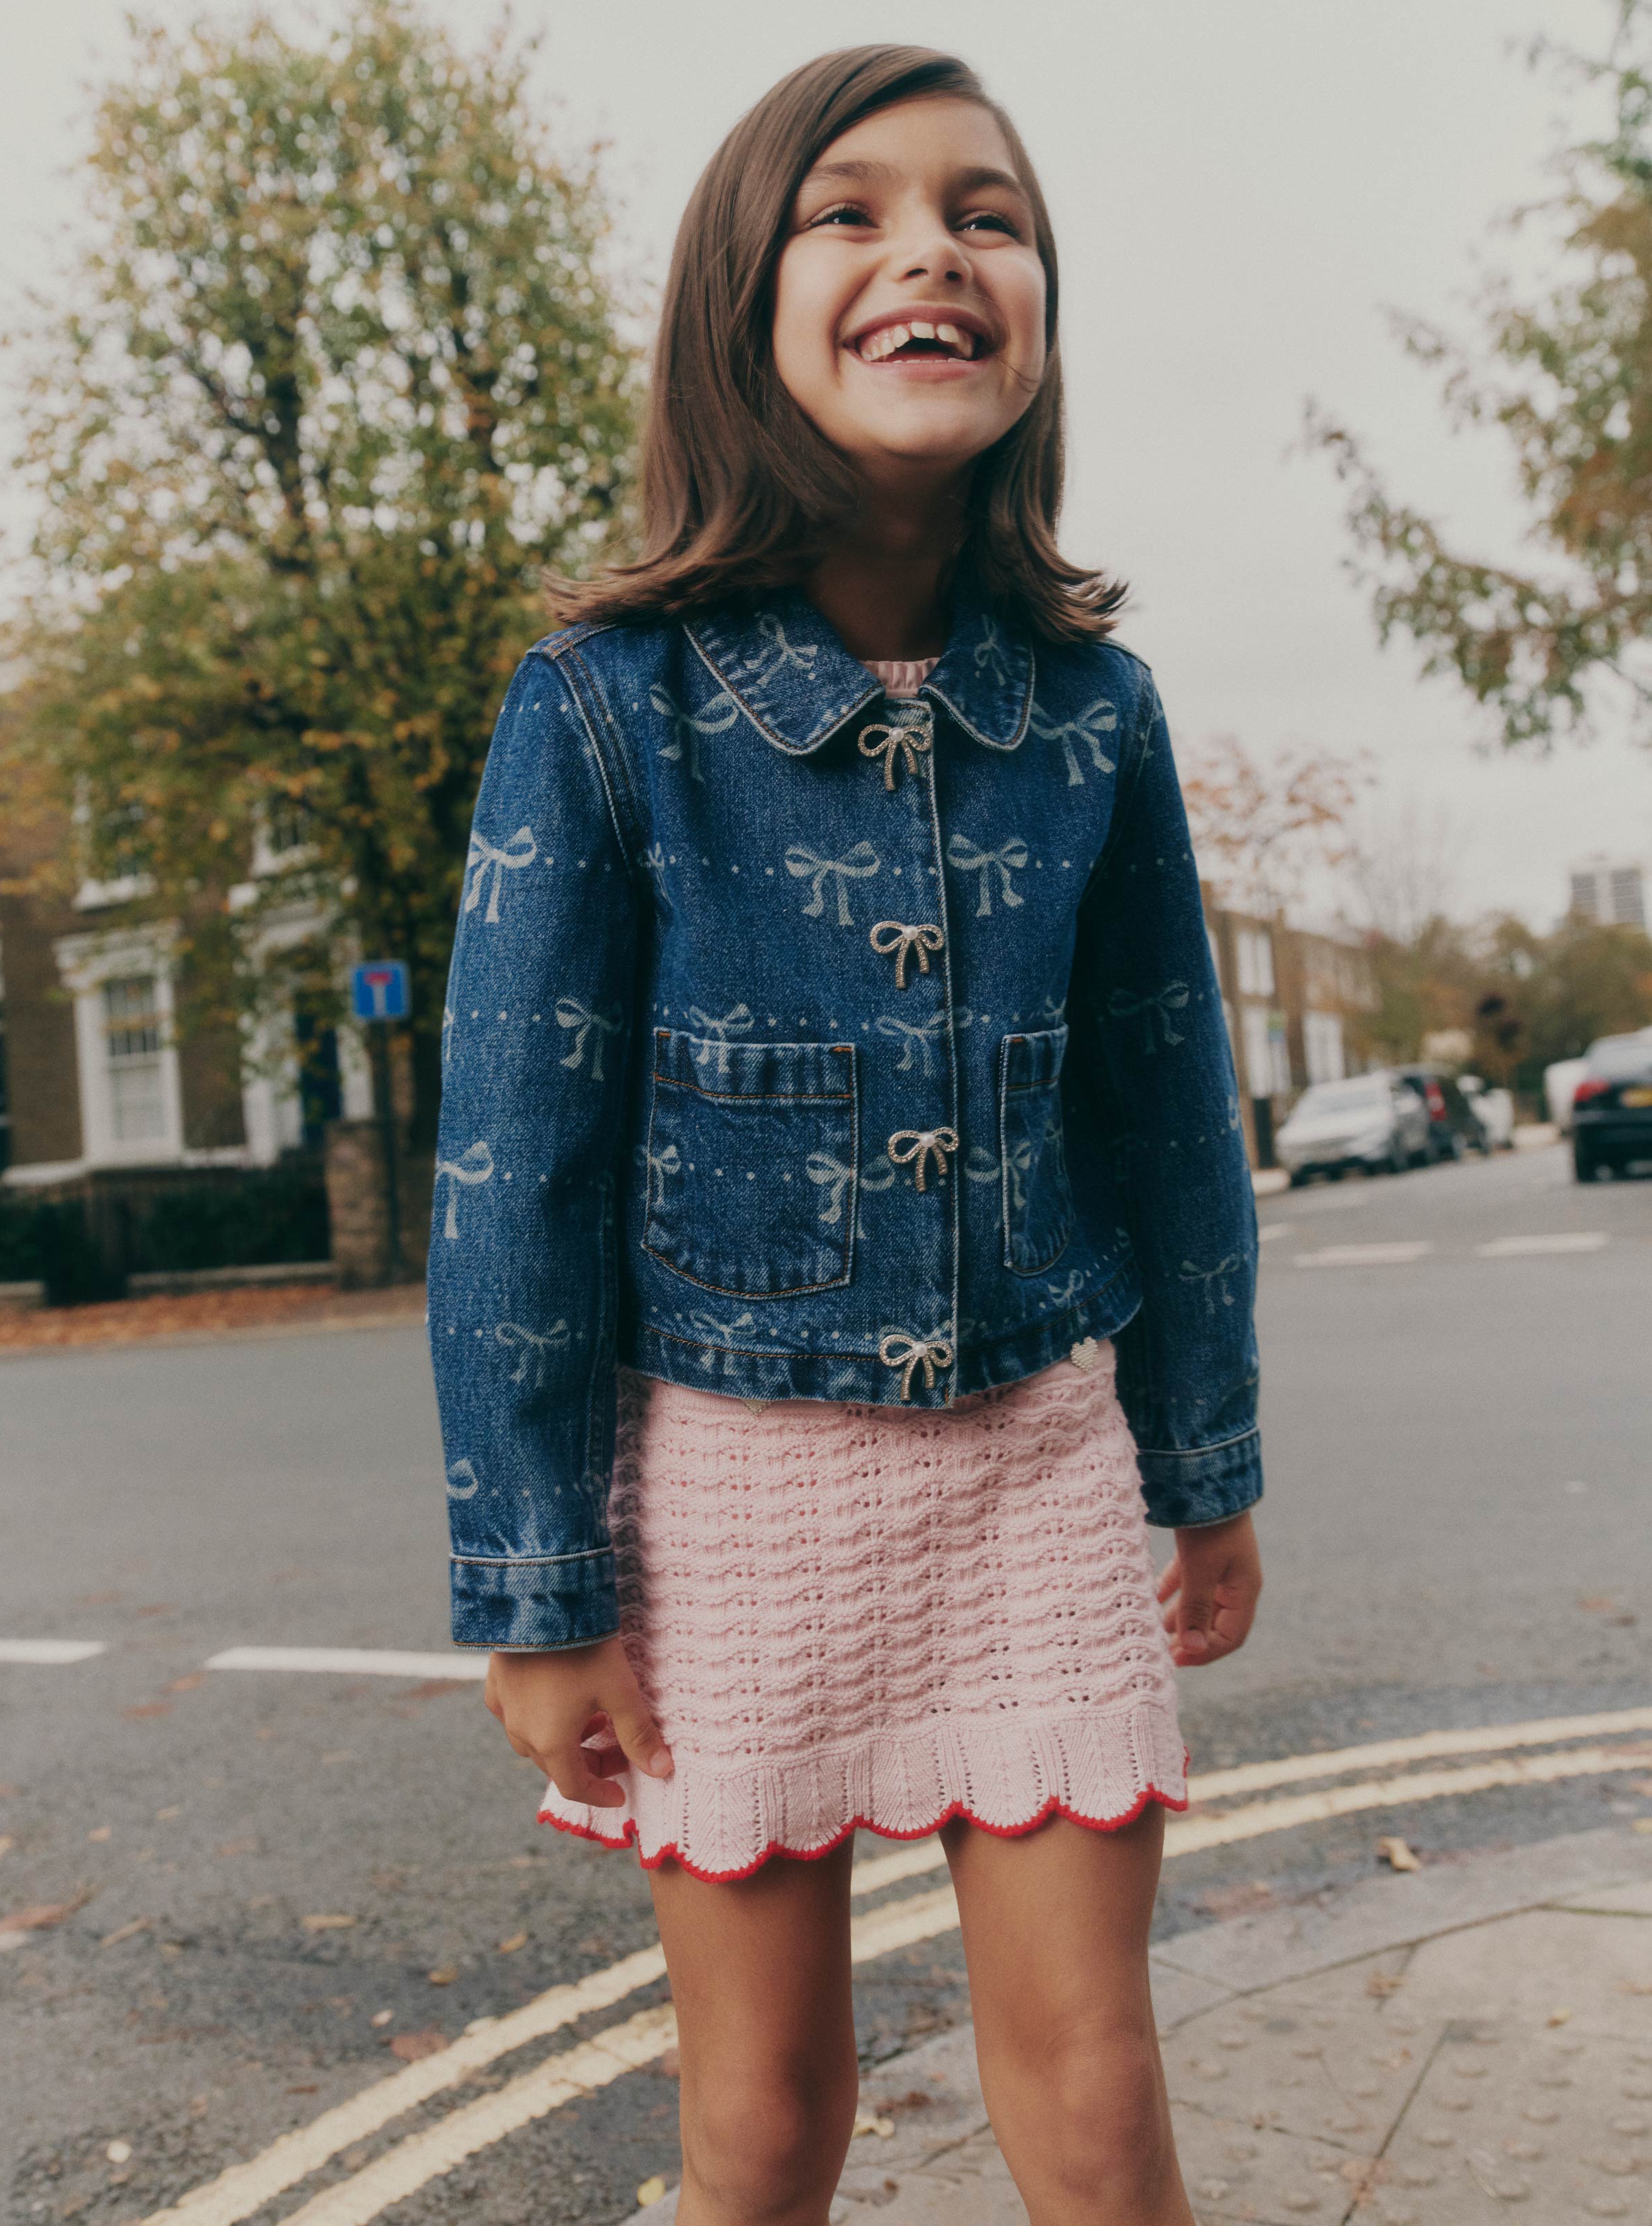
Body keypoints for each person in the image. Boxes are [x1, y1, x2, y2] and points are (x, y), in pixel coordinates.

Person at [428, 45, 1263, 2226]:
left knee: (1098, 2097)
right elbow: (514, 1174)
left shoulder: (1100, 714)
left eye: (991, 215)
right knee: (765, 2125)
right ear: (744, 304)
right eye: (854, 211)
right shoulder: (604, 705)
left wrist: (1211, 1465)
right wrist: (540, 1589)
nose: (935, 251)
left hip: (1040, 1479)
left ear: (1040, 309)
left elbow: (1174, 1114)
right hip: (728, 1491)